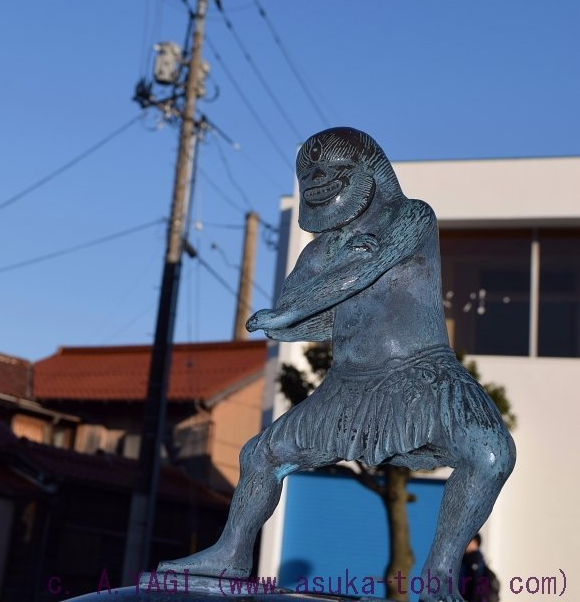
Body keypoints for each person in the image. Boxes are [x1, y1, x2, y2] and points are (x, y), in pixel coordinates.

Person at [161, 128, 515, 602]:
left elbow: (364, 271)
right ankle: (232, 552)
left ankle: (439, 571)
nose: (319, 181)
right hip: (348, 384)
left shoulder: (413, 216)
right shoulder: (320, 250)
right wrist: (299, 304)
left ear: (368, 173)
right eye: (309, 174)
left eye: (330, 171)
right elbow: (293, 319)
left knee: (490, 454)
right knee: (260, 455)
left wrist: (309, 298)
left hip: (422, 373)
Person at [459, 534, 500, 602]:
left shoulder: (475, 561)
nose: (467, 544)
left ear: (476, 543)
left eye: (470, 541)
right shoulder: (464, 561)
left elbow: (475, 588)